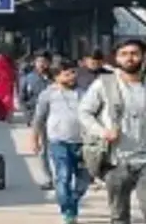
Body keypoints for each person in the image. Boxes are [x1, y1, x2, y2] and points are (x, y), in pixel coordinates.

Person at [78, 39, 146, 224]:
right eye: (124, 54)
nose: (130, 58)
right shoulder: (105, 84)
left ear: (143, 56)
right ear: (116, 58)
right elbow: (84, 112)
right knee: (119, 216)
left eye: (134, 53)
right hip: (117, 161)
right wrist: (102, 132)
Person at [31, 59, 90, 224]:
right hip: (59, 143)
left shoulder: (84, 93)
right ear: (56, 77)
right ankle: (68, 211)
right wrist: (34, 140)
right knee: (63, 177)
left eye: (73, 72)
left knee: (84, 180)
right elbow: (38, 119)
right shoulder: (48, 94)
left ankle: (73, 201)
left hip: (82, 143)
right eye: (67, 73)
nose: (72, 76)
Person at [19, 51, 54, 190]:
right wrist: (29, 117)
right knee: (43, 149)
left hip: (57, 118)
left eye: (44, 61)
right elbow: (22, 99)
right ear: (34, 62)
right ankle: (49, 178)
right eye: (39, 61)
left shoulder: (56, 77)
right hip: (39, 118)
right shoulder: (28, 79)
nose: (42, 64)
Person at [0, 47, 17, 122]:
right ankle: (6, 116)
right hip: (6, 83)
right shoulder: (7, 62)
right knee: (6, 100)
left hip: (0, 83)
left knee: (0, 100)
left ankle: (1, 115)